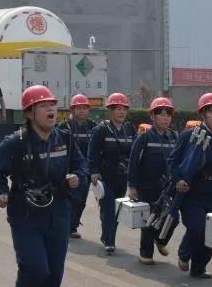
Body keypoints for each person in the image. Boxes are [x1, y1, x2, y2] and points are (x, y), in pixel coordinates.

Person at [0, 85, 88, 287]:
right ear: (29, 113)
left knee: (54, 270)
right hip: (26, 214)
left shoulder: (64, 139)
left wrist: (77, 177)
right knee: (35, 267)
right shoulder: (16, 142)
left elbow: (81, 166)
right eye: (43, 106)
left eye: (52, 104)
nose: (50, 110)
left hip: (59, 212)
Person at [168, 92, 212, 278]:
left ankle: (199, 267)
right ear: (203, 114)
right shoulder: (189, 136)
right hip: (191, 190)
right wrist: (177, 180)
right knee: (197, 227)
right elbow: (172, 161)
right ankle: (184, 254)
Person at [127, 97, 179, 265]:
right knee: (149, 219)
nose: (166, 118)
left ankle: (161, 240)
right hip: (147, 186)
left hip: (168, 188)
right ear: (152, 116)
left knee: (173, 217)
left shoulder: (173, 137)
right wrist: (132, 186)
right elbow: (133, 162)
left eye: (168, 114)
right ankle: (145, 254)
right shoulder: (144, 138)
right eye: (161, 114)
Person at [88, 92, 135, 254]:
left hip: (122, 177)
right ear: (110, 110)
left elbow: (133, 152)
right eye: (118, 109)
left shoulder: (129, 129)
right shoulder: (101, 130)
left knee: (117, 209)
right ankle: (109, 241)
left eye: (124, 109)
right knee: (108, 208)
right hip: (105, 177)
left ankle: (107, 235)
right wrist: (94, 171)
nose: (121, 112)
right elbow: (92, 153)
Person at [59, 94, 97, 239]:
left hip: (85, 171)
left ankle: (73, 226)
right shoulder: (64, 127)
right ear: (72, 110)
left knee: (81, 200)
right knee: (67, 200)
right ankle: (65, 227)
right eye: (78, 108)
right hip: (68, 170)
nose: (82, 111)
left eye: (84, 108)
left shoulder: (94, 127)